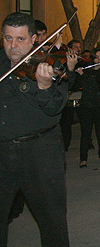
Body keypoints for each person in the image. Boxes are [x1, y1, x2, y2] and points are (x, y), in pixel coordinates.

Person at [0, 12, 77, 246]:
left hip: (40, 152)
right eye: (7, 38)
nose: (13, 46)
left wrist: (44, 87)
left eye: (20, 39)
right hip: (3, 153)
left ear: (34, 39)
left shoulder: (47, 67)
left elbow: (56, 108)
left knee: (52, 221)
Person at [75, 49, 100, 167]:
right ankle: (83, 158)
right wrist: (78, 74)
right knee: (85, 133)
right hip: (86, 106)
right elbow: (76, 86)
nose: (99, 60)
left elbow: (97, 83)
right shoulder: (87, 70)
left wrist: (83, 75)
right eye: (96, 57)